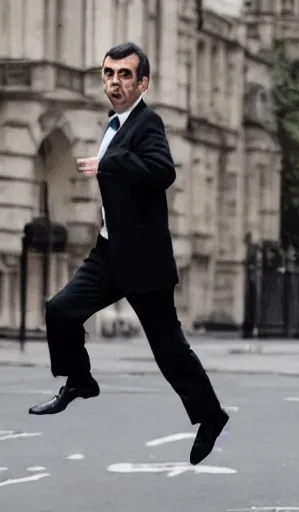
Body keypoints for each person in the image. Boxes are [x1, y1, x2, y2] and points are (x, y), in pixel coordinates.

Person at [28, 42, 229, 465]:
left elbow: (163, 171)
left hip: (143, 260)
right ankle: (79, 380)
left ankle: (210, 417)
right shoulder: (115, 124)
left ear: (143, 83)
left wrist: (108, 164)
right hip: (108, 253)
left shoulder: (148, 122)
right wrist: (107, 163)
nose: (114, 82)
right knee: (60, 311)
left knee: (169, 349)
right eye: (109, 73)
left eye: (124, 75)